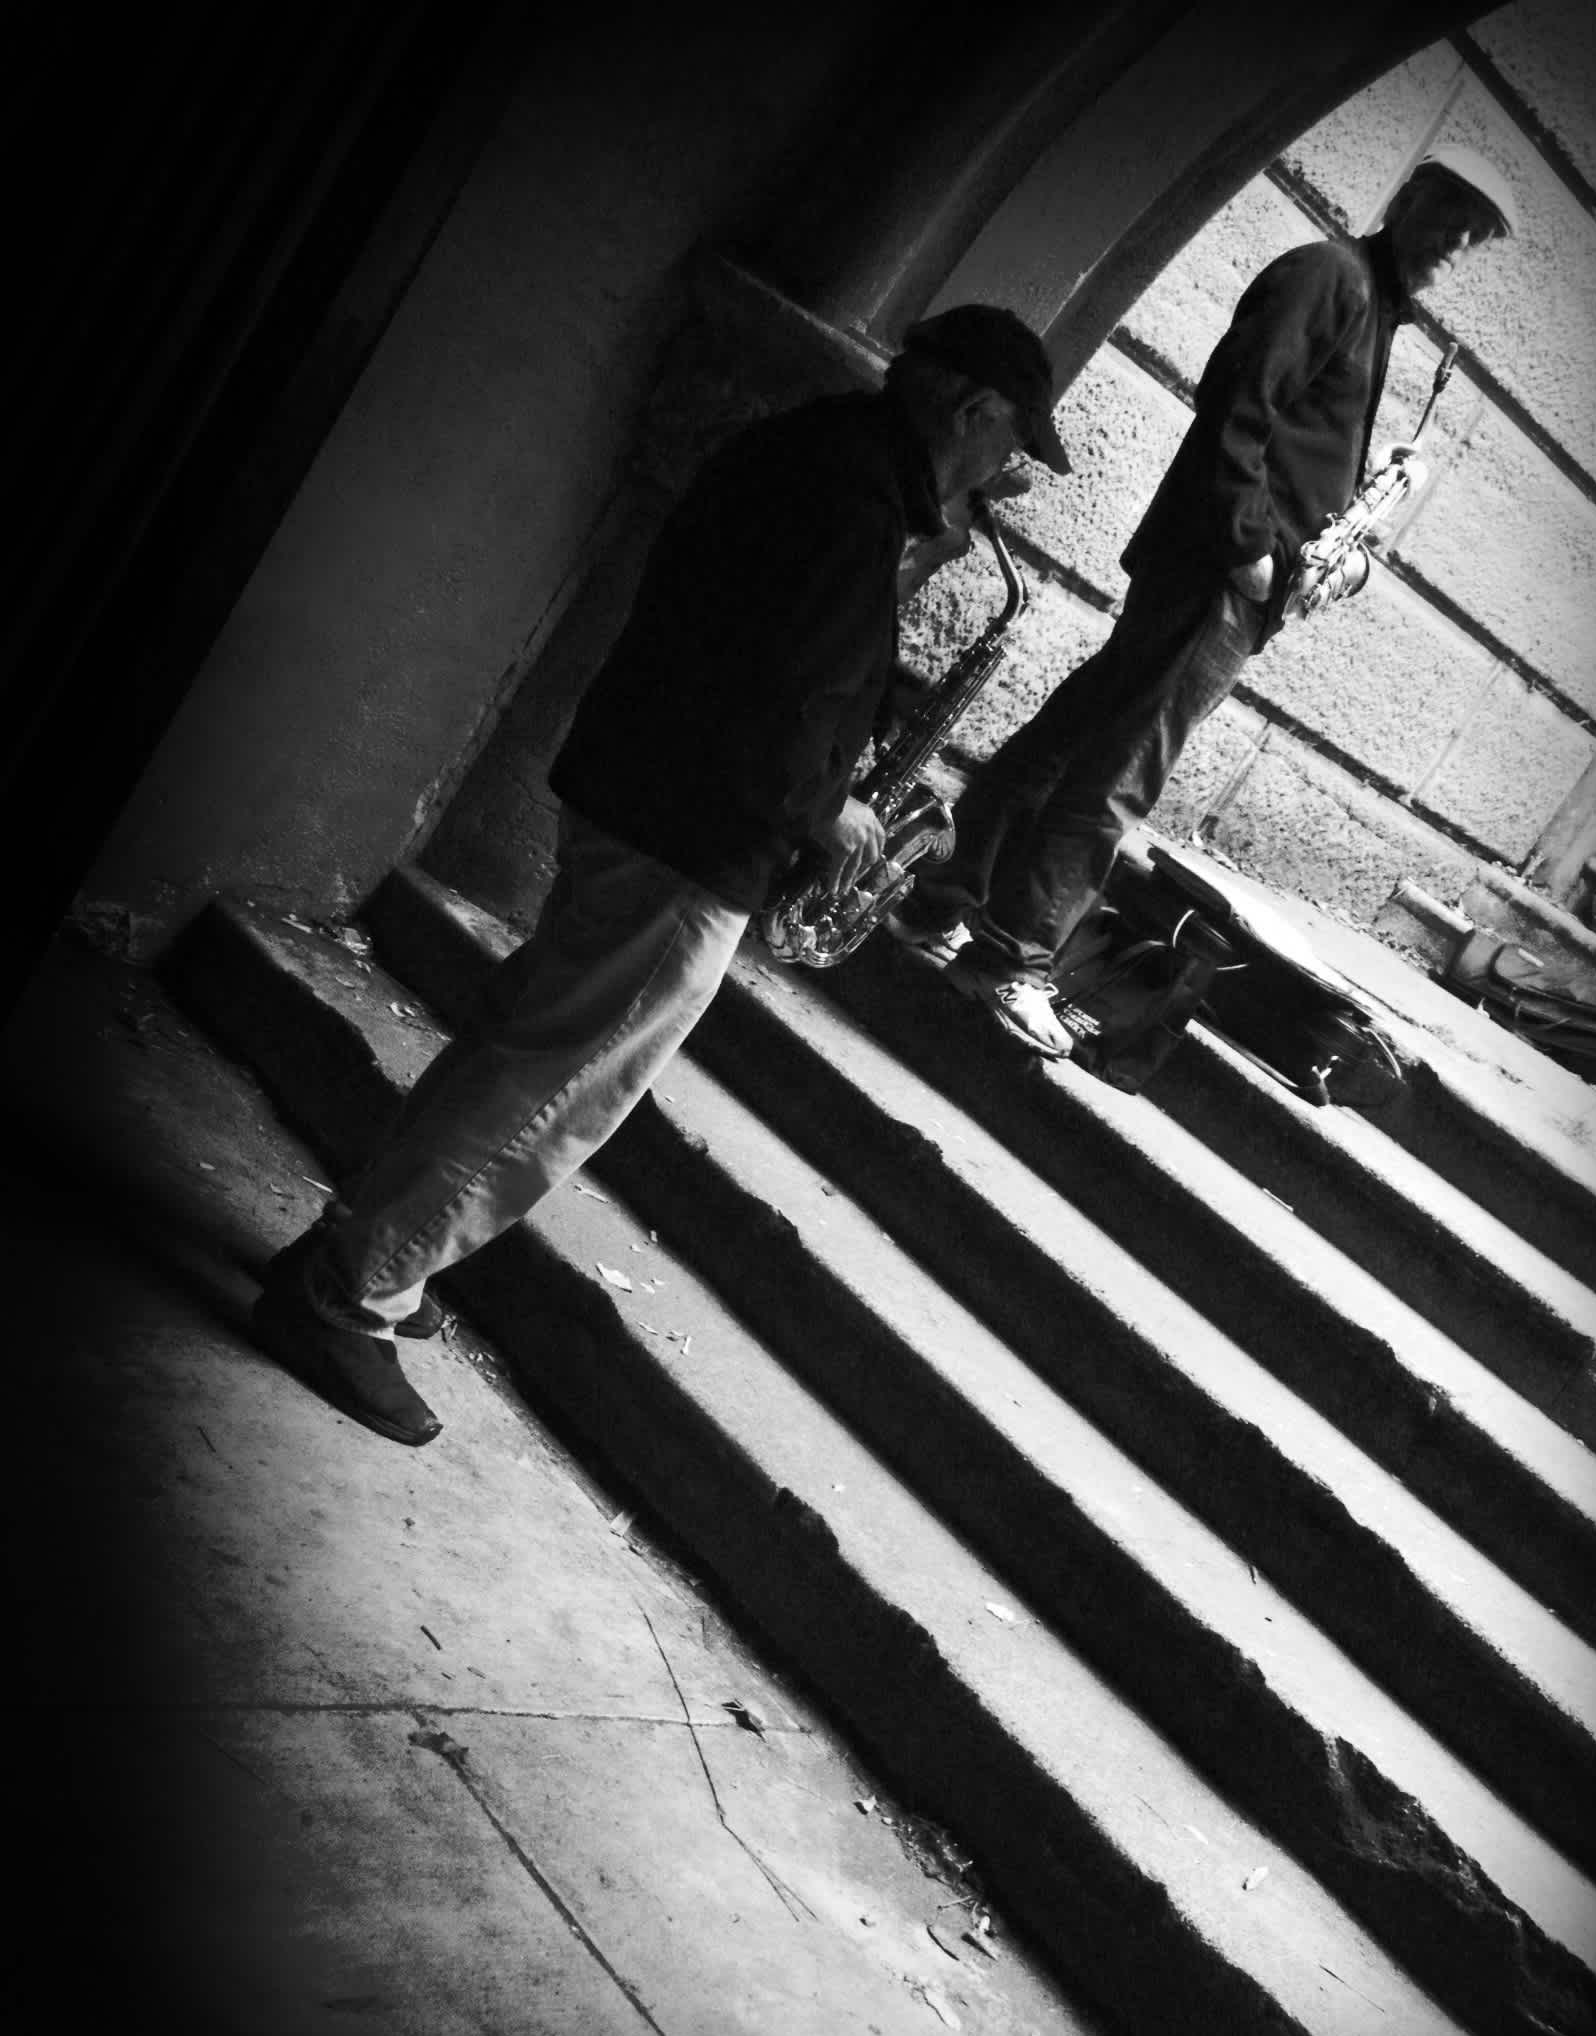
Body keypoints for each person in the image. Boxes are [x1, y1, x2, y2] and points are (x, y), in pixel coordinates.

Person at [251, 304, 1072, 1444]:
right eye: (1011, 446)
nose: (1004, 476)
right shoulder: (852, 501)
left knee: (527, 1043)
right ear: (974, 409)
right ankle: (351, 1290)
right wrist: (825, 812)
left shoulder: (816, 452)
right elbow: (773, 696)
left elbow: (752, 643)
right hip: (694, 838)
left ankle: (363, 1246)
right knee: (561, 1085)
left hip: (642, 797)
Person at [892, 147, 1519, 1055]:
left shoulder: (1372, 307)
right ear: (1409, 196)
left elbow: (1291, 436)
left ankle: (946, 898)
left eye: (1475, 236)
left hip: (1222, 571)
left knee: (1082, 730)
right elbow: (1236, 405)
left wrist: (1327, 555)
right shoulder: (1329, 276)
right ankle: (1009, 960)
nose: (1455, 243)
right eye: (1449, 215)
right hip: (1220, 572)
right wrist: (1254, 552)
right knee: (1123, 771)